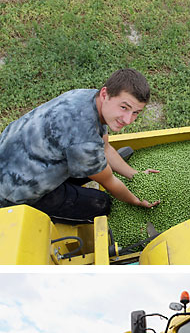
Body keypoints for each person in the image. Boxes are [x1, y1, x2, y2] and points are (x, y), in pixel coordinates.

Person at [0, 68, 159, 223]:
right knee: (102, 204)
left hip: (21, 155)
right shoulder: (84, 138)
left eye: (135, 112)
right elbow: (109, 181)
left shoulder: (89, 97)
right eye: (124, 107)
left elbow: (105, 148)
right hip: (15, 192)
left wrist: (136, 175)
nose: (128, 119)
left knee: (95, 162)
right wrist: (136, 201)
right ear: (105, 94)